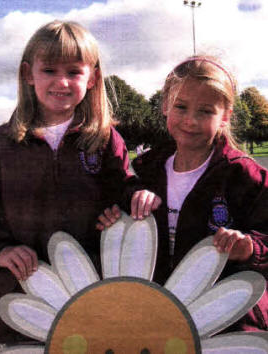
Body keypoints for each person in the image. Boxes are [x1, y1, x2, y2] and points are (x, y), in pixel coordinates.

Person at [0, 20, 132, 345]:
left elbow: (126, 196)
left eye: (74, 71)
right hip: (23, 300)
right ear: (28, 74)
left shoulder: (104, 140)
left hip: (93, 297)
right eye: (49, 70)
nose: (61, 81)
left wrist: (121, 211)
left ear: (93, 78)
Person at [97, 55, 268, 332]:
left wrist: (250, 248)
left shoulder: (244, 176)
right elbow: (123, 227)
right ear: (165, 106)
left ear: (225, 116)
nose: (190, 120)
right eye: (181, 107)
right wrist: (114, 218)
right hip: (161, 318)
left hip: (227, 323)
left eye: (205, 111)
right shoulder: (146, 172)